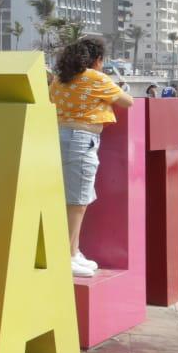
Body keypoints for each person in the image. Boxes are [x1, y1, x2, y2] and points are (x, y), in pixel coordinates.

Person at [49, 36, 134, 278]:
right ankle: (67, 255)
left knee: (72, 197)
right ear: (97, 59)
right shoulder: (95, 78)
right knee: (77, 200)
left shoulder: (60, 78)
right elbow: (127, 101)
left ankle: (74, 251)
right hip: (81, 138)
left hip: (60, 134)